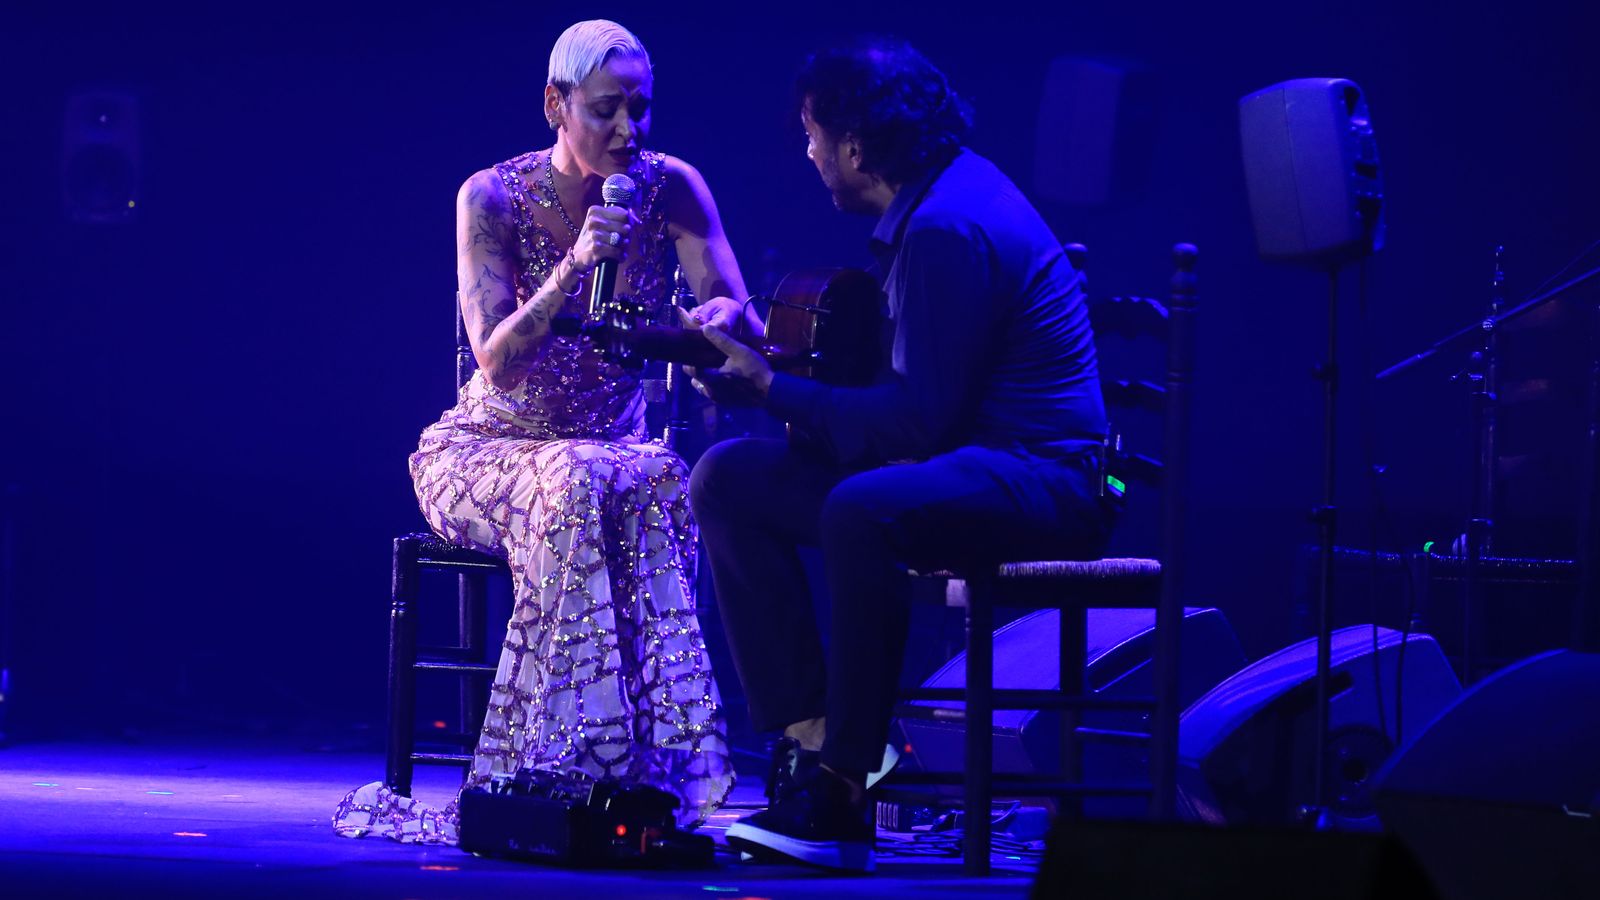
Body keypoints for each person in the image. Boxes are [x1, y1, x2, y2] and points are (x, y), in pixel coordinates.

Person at [686, 37, 1114, 871]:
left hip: (1044, 478)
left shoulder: (949, 226)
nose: (807, 153)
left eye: (813, 134)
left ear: (853, 143)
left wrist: (771, 390)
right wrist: (768, 361)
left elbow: (918, 426)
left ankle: (844, 793)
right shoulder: (931, 206)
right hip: (971, 464)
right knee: (730, 480)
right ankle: (813, 739)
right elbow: (907, 396)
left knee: (860, 508)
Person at [334, 19, 754, 843]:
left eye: (641, 108)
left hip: (608, 449)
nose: (629, 131)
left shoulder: (672, 187)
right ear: (556, 106)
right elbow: (494, 359)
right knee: (573, 481)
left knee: (660, 478)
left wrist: (708, 315)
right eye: (607, 110)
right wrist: (574, 266)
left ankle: (647, 777)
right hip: (490, 450)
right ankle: (544, 774)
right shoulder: (489, 196)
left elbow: (733, 303)